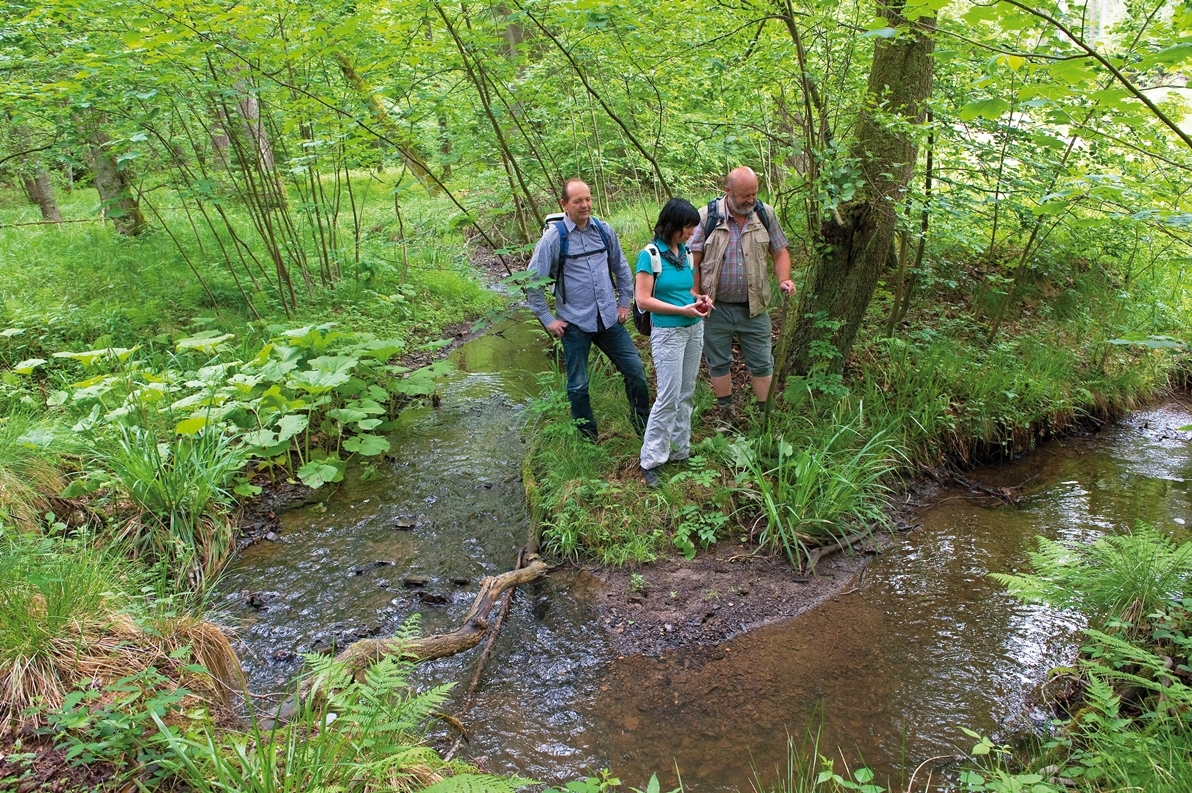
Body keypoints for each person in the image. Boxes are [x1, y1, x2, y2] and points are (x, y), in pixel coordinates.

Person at [526, 179, 650, 441]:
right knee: (578, 385)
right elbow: (532, 283)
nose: (585, 205)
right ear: (564, 204)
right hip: (574, 325)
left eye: (588, 199)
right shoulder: (553, 239)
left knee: (636, 372)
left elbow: (621, 268)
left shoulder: (604, 231)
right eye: (577, 201)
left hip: (608, 320)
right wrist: (549, 320)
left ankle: (643, 428)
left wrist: (625, 302)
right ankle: (588, 438)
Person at [688, 166, 795, 417]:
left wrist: (784, 279)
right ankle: (726, 413)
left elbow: (780, 251)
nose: (751, 200)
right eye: (745, 195)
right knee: (718, 362)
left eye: (754, 194)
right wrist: (694, 296)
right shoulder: (707, 217)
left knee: (762, 361)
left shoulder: (764, 214)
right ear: (728, 191)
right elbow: (693, 258)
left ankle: (764, 416)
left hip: (754, 307)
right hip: (715, 306)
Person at [634, 198, 711, 487]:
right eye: (687, 228)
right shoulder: (650, 255)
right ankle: (651, 460)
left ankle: (680, 451)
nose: (691, 233)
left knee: (687, 392)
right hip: (668, 333)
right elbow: (644, 299)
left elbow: (686, 289)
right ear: (673, 225)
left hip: (694, 329)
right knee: (668, 394)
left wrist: (698, 299)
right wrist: (681, 310)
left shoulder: (686, 253)